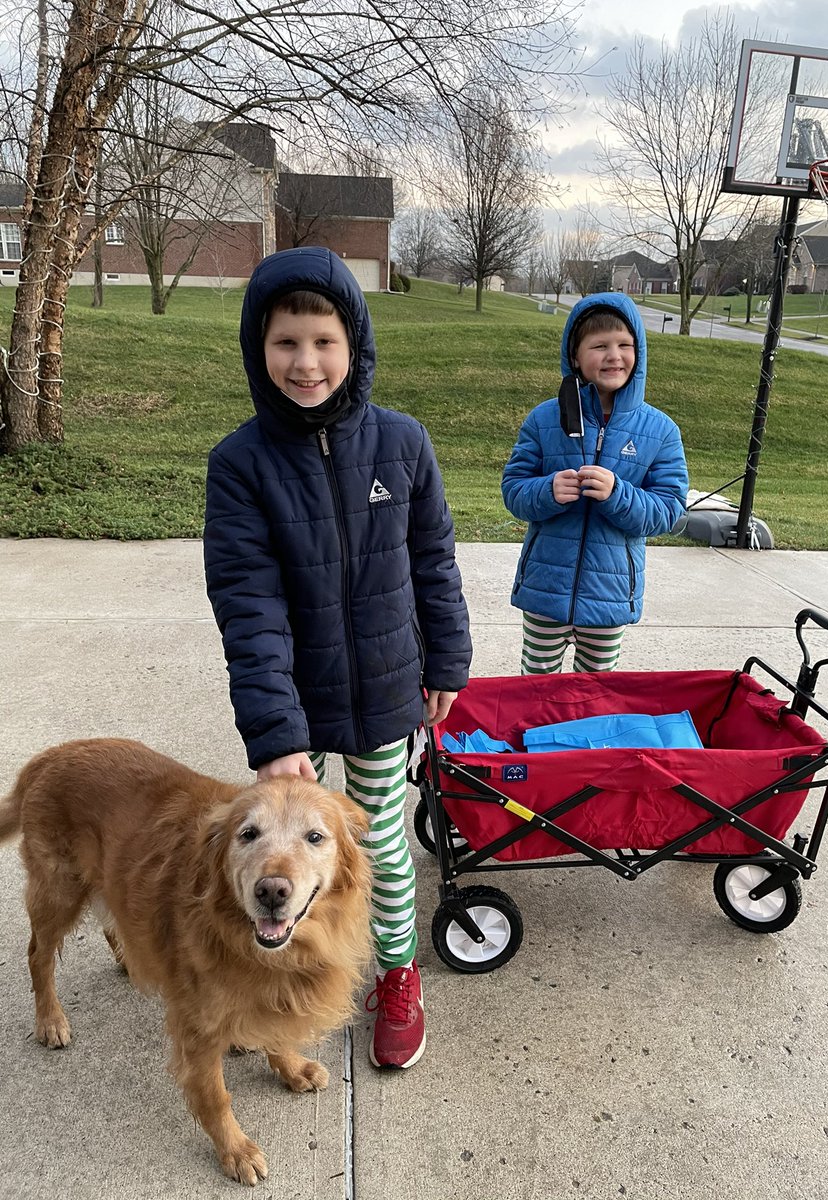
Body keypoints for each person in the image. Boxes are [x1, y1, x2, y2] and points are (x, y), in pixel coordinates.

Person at [204, 247, 472, 1070]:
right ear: (259, 349)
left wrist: (448, 662)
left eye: (324, 340)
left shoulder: (403, 443)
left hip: (390, 692)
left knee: (381, 846)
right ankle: (277, 973)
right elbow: (248, 603)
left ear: (354, 342)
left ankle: (394, 974)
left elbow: (433, 559)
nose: (306, 361)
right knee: (281, 853)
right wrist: (278, 732)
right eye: (286, 342)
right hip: (295, 702)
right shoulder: (240, 464)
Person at [501, 292, 687, 674]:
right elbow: (514, 489)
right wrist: (547, 491)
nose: (613, 355)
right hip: (545, 590)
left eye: (624, 345)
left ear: (640, 353)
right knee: (535, 689)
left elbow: (669, 509)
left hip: (610, 597)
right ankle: (536, 736)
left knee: (594, 695)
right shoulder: (544, 419)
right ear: (575, 356)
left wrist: (618, 494)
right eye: (599, 345)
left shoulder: (660, 430)